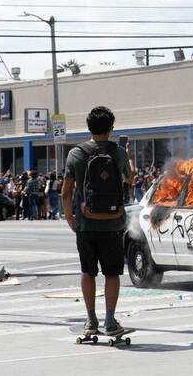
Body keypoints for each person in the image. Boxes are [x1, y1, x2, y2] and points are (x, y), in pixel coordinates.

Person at [62, 106, 136, 336]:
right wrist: (129, 158)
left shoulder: (76, 153)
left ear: (89, 127)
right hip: (114, 224)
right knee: (112, 273)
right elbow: (130, 181)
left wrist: (70, 217)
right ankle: (111, 321)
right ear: (111, 128)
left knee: (88, 272)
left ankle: (91, 320)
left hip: (86, 223)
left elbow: (66, 191)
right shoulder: (119, 152)